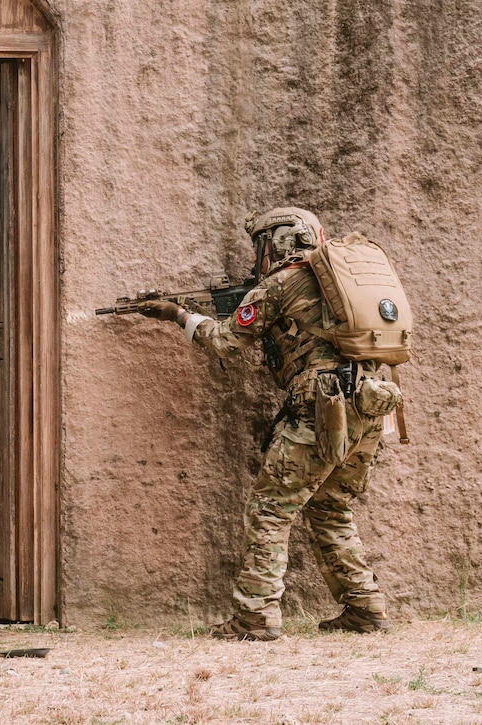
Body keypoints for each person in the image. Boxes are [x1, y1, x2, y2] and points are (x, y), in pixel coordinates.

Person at [139, 207, 392, 641]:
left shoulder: (281, 282)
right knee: (330, 507)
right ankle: (365, 607)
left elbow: (224, 342)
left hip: (323, 405)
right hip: (373, 403)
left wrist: (177, 315)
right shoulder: (342, 281)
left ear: (278, 241)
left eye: (261, 244)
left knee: (270, 510)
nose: (257, 255)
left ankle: (255, 617)